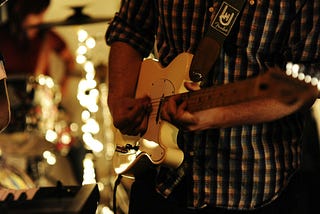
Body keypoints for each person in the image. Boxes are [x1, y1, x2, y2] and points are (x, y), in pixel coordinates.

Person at [105, 1, 320, 214]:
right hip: (157, 177)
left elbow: (308, 78)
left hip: (253, 185)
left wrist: (217, 116)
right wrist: (119, 100)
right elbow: (130, 28)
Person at [0, 0, 75, 89]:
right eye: (38, 14)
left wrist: (63, 87)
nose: (41, 20)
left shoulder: (47, 36)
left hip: (41, 97)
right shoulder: (2, 35)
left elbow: (70, 60)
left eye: (41, 15)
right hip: (7, 96)